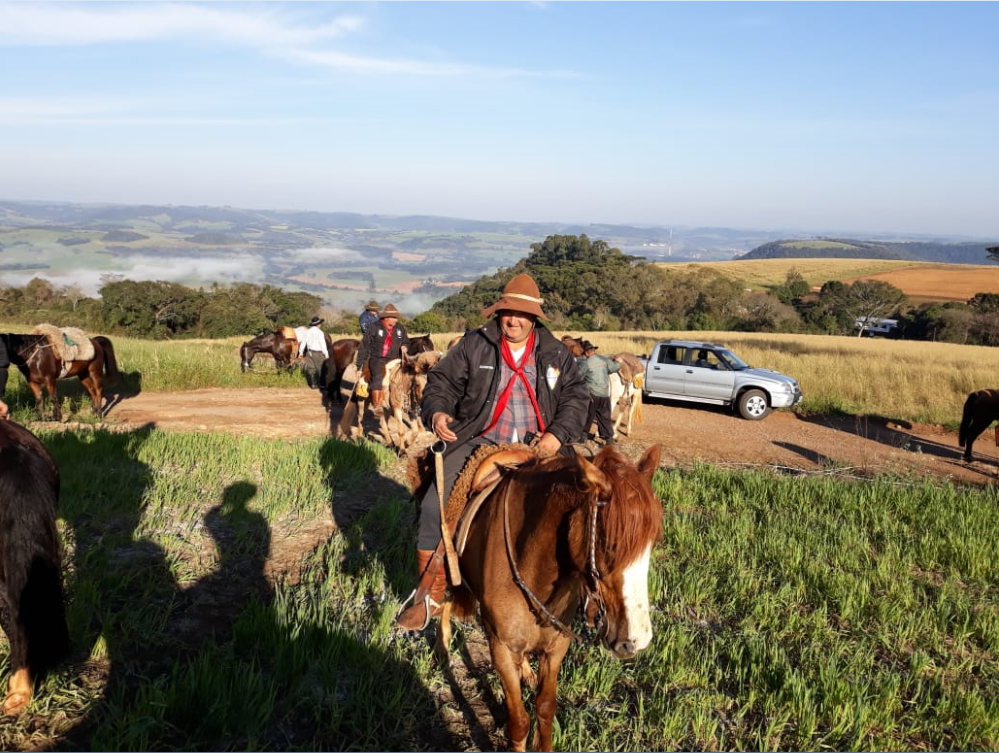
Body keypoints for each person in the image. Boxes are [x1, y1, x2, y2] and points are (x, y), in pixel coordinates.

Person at [396, 273, 589, 631]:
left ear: (534, 318)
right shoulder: (475, 344)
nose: (513, 320)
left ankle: (591, 599)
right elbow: (441, 382)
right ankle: (430, 595)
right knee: (432, 505)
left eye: (521, 314)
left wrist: (557, 435)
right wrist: (437, 412)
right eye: (507, 312)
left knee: (592, 502)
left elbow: (576, 397)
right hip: (479, 439)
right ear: (499, 313)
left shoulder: (555, 353)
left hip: (541, 443)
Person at [354, 303, 410, 414]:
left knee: (408, 375)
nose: (395, 320)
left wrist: (405, 346)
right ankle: (377, 405)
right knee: (378, 376)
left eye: (396, 318)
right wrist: (359, 367)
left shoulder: (400, 328)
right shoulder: (373, 327)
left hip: (394, 358)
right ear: (385, 318)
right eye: (393, 318)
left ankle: (406, 402)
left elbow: (406, 341)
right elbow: (364, 347)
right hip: (377, 358)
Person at [581, 340, 622, 446]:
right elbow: (615, 367)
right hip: (604, 394)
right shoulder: (604, 360)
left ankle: (583, 437)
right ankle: (609, 439)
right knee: (604, 417)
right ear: (593, 350)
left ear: (586, 353)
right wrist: (617, 361)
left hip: (592, 395)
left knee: (588, 415)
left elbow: (578, 376)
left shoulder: (585, 363)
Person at [297, 316, 329, 389]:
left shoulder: (308, 332)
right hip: (318, 353)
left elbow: (303, 343)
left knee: (311, 368)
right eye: (320, 323)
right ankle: (322, 384)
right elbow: (322, 344)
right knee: (321, 368)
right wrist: (326, 354)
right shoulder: (320, 333)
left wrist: (301, 352)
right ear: (318, 324)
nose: (320, 324)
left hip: (309, 352)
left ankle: (313, 385)